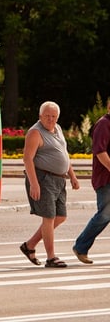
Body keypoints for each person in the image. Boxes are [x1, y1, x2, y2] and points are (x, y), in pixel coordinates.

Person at [19, 101, 80, 268]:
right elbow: (27, 159)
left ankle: (29, 245)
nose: (51, 119)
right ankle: (51, 257)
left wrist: (72, 176)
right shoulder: (35, 132)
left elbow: (64, 154)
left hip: (60, 180)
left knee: (61, 217)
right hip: (43, 179)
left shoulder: (58, 129)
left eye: (54, 116)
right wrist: (34, 184)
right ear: (40, 116)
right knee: (49, 217)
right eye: (47, 116)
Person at [72, 99, 110, 264]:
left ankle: (81, 247)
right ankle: (81, 247)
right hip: (106, 179)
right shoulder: (104, 124)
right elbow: (100, 152)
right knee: (104, 215)